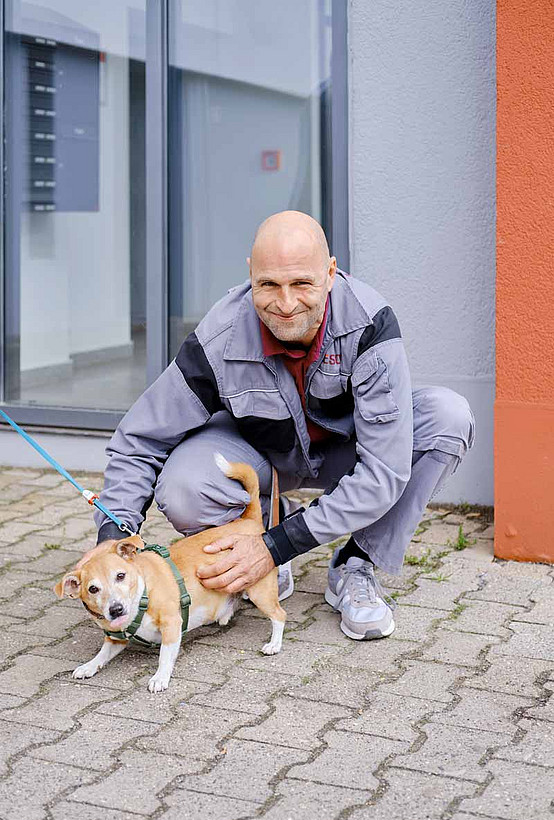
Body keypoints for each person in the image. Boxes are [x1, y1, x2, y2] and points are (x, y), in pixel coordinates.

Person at [95, 210, 474, 640]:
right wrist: (115, 532)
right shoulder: (219, 336)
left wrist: (277, 546)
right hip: (263, 458)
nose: (286, 303)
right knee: (183, 485)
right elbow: (140, 437)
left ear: (330, 273)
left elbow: (384, 472)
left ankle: (355, 563)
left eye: (302, 284)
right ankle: (259, 535)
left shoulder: (371, 325)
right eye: (269, 284)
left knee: (448, 417)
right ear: (250, 276)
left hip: (347, 454)